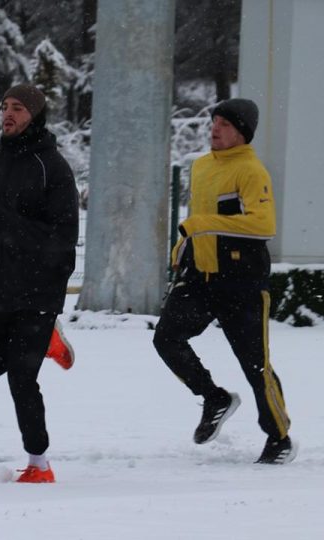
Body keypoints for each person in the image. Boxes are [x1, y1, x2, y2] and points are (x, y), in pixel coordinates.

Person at [153, 98, 294, 464]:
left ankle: (279, 438)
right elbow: (198, 218)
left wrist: (200, 226)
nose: (215, 129)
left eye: (225, 124)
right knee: (166, 338)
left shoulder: (251, 171)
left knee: (256, 365)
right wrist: (182, 245)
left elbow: (264, 225)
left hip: (242, 283)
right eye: (214, 122)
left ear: (242, 132)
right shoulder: (201, 167)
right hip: (201, 278)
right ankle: (214, 397)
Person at [0, 84, 80, 483]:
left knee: (21, 379)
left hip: (37, 293)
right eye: (5, 107)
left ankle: (39, 464)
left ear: (35, 116)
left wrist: (14, 230)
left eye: (18, 108)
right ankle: (46, 345)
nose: (8, 114)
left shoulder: (52, 167)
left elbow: (63, 234)